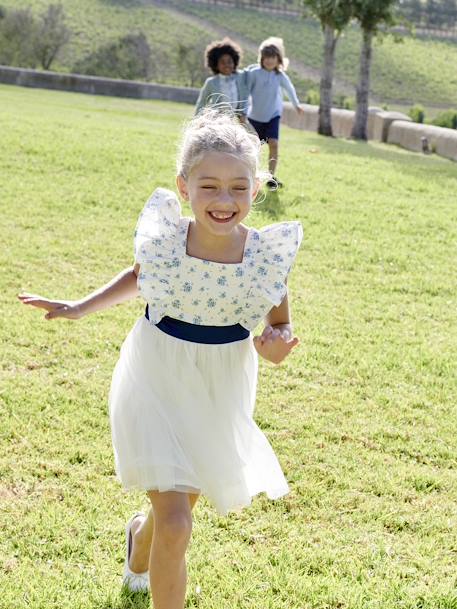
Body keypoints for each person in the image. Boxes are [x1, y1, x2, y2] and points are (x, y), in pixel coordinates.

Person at [19, 109, 303, 609]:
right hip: (154, 374)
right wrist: (80, 307)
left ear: (256, 189)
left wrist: (277, 343)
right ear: (184, 185)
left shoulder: (265, 254)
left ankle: (137, 543)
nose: (224, 200)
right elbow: (140, 277)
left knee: (175, 512)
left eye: (239, 187)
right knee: (176, 520)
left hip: (219, 388)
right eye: (209, 186)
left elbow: (278, 320)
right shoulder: (168, 241)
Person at [245, 37, 304, 190]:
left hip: (273, 116)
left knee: (274, 144)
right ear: (262, 59)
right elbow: (245, 92)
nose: (270, 61)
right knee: (252, 148)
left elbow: (289, 89)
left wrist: (296, 105)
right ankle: (251, 176)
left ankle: (271, 177)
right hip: (254, 118)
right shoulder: (254, 74)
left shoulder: (280, 76)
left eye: (273, 58)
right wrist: (242, 111)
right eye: (267, 58)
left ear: (278, 59)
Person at [195, 37, 248, 120]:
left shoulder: (240, 77)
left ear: (234, 62)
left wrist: (243, 113)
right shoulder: (211, 82)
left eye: (229, 61)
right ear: (216, 65)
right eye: (222, 62)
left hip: (237, 120)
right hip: (217, 121)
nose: (227, 65)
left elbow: (245, 97)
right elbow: (201, 103)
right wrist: (197, 121)